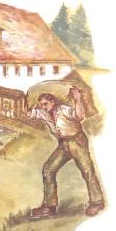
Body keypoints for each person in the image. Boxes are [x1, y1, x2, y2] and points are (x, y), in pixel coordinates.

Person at [29, 86, 105, 217]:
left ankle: (97, 202)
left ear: (52, 102)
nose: (43, 107)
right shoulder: (43, 112)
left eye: (46, 104)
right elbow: (30, 113)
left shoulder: (64, 110)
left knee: (87, 169)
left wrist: (78, 99)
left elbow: (80, 116)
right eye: (41, 105)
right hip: (64, 144)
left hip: (77, 141)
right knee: (48, 169)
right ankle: (50, 206)